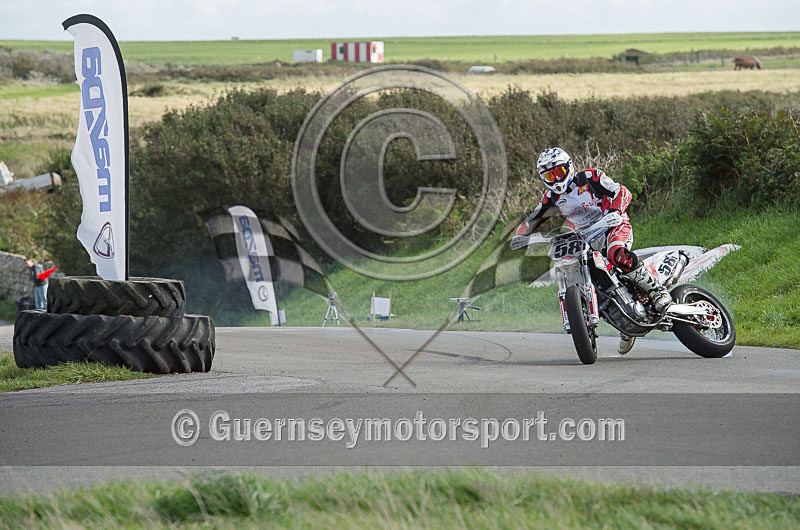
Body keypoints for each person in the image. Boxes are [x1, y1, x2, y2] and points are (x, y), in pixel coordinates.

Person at [512, 147, 672, 355]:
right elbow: (532, 219)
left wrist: (615, 210)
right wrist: (520, 236)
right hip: (585, 239)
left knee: (616, 254)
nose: (555, 179)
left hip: (612, 226)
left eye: (558, 172)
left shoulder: (590, 177)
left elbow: (622, 191)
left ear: (568, 167)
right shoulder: (551, 198)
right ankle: (624, 322)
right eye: (549, 175)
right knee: (595, 285)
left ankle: (656, 290)